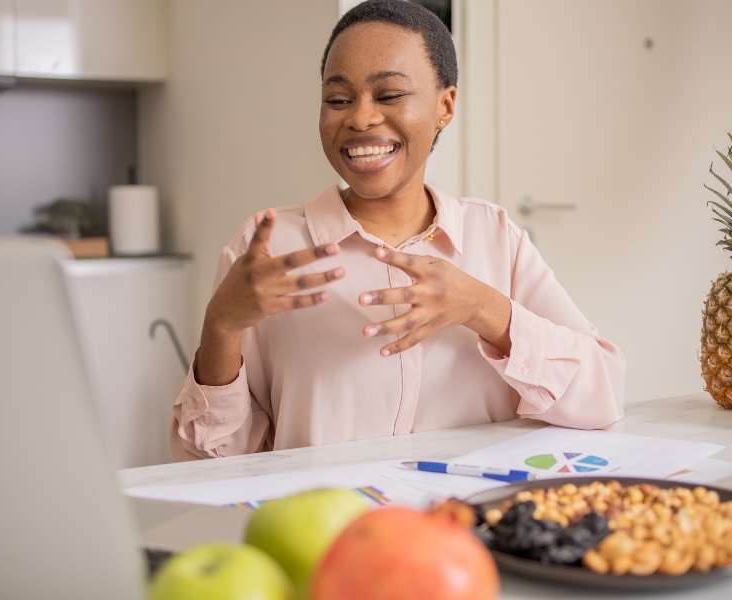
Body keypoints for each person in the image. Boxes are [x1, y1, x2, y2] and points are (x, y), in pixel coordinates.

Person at [170, 0, 625, 460]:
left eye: (388, 95)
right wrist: (221, 326)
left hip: (467, 521)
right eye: (338, 100)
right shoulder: (268, 249)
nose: (361, 118)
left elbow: (601, 395)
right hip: (331, 526)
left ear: (445, 106)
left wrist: (483, 308)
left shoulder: (494, 236)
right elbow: (211, 461)